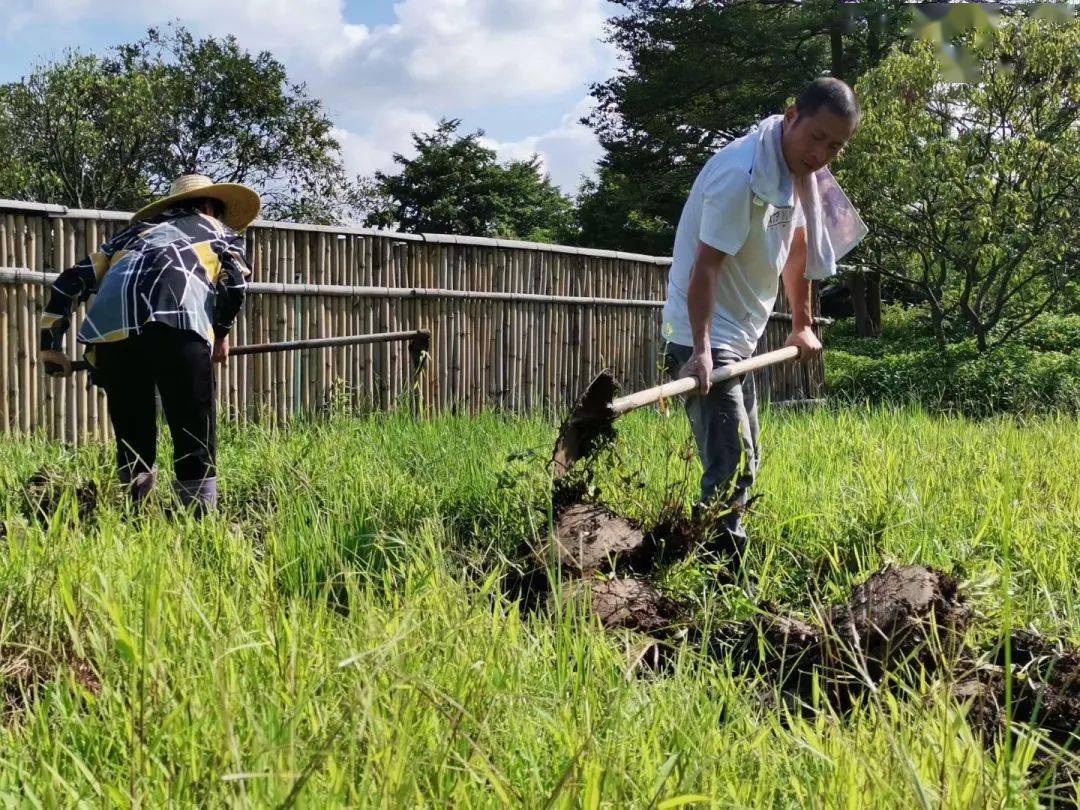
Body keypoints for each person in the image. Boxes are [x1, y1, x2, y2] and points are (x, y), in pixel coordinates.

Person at [661, 77, 867, 562]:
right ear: (792, 115)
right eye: (816, 137)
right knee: (732, 461)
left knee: (746, 456)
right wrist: (702, 350)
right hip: (702, 335)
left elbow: (798, 250)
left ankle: (692, 554)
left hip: (740, 335)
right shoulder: (742, 174)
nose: (822, 155)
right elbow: (704, 267)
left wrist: (802, 322)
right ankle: (721, 578)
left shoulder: (795, 175)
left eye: (835, 146)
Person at [39, 174, 260, 516]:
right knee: (192, 432)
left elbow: (69, 282)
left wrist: (50, 347)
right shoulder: (219, 231)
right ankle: (198, 523)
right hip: (177, 324)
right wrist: (220, 332)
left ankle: (135, 516)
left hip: (112, 335)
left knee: (133, 435)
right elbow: (235, 286)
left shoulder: (129, 236)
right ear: (208, 206)